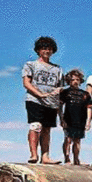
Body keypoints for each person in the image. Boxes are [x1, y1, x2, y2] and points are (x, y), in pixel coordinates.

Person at [22, 36, 63, 164]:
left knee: (47, 129)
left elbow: (60, 86)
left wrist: (58, 93)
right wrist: (39, 94)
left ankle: (45, 157)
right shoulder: (31, 65)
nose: (47, 51)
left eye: (50, 49)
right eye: (44, 48)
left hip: (51, 102)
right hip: (35, 100)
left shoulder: (58, 69)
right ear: (38, 50)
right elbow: (26, 83)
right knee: (36, 126)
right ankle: (34, 155)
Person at [59, 69, 92, 165]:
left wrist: (88, 122)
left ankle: (76, 159)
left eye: (77, 80)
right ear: (69, 81)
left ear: (80, 81)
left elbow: (89, 108)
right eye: (73, 79)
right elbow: (60, 106)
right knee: (68, 139)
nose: (75, 81)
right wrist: (61, 119)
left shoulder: (85, 94)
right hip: (68, 119)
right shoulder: (65, 92)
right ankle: (67, 158)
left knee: (77, 140)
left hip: (80, 120)